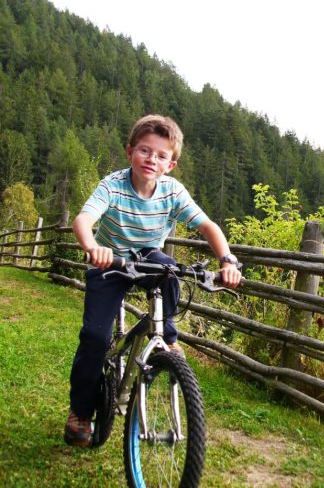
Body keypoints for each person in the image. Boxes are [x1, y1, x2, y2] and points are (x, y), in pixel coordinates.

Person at [64, 114, 242, 447]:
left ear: (171, 164)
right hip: (110, 261)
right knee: (94, 337)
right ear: (130, 150)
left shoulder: (172, 191)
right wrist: (92, 247)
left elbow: (208, 227)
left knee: (170, 269)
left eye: (161, 155)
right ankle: (80, 412)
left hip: (147, 257)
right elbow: (84, 219)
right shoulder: (113, 185)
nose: (151, 159)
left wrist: (227, 260)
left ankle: (168, 338)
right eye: (145, 151)